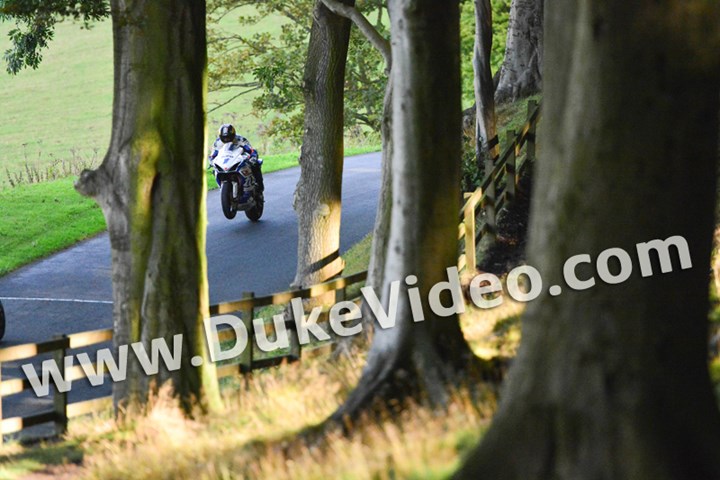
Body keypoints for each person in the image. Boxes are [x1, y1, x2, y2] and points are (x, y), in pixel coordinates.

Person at [208, 124, 264, 199]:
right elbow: (213, 154)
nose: (226, 139)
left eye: (228, 137)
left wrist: (253, 157)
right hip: (226, 162)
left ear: (233, 134)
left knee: (256, 164)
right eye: (224, 137)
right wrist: (211, 160)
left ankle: (259, 186)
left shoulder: (241, 139)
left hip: (240, 159)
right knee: (215, 170)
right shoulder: (218, 142)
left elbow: (251, 150)